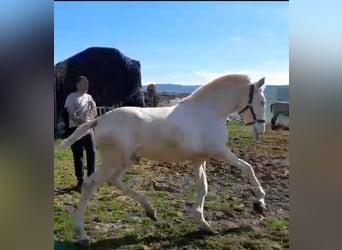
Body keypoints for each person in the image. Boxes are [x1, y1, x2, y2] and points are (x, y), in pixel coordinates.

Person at [64, 76, 97, 192]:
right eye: (84, 84)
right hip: (75, 129)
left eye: (87, 84)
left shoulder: (89, 97)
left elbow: (94, 113)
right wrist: (86, 123)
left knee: (91, 154)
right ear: (78, 85)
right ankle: (80, 181)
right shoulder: (71, 97)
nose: (86, 86)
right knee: (78, 156)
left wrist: (93, 111)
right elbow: (73, 116)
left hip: (89, 130)